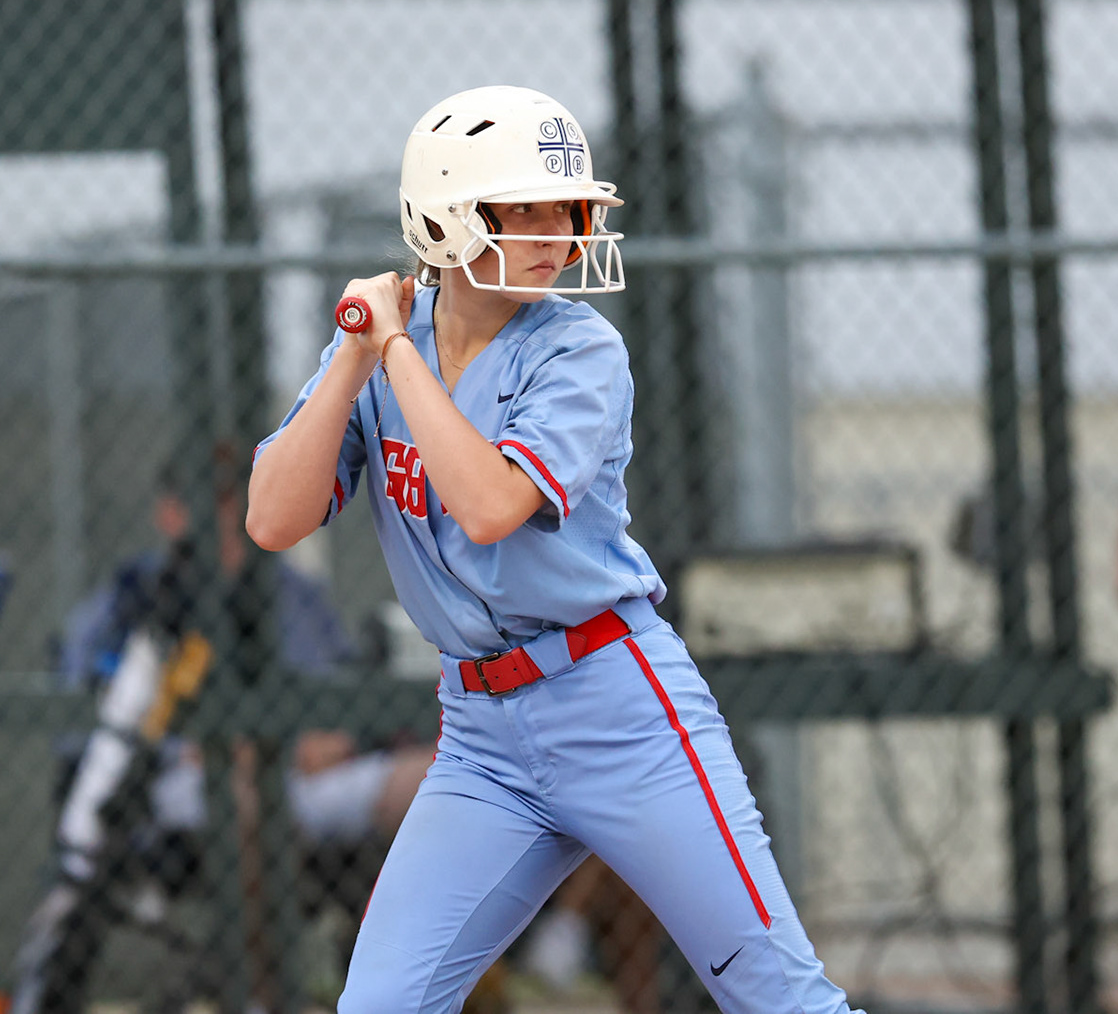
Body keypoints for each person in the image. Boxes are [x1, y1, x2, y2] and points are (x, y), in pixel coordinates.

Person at [247, 85, 860, 1014]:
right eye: (521, 207)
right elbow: (272, 519)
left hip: (617, 707)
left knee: (777, 997)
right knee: (378, 1006)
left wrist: (399, 360)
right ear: (446, 219)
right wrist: (351, 359)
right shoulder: (381, 354)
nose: (554, 230)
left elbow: (491, 504)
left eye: (565, 209)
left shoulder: (580, 348)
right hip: (483, 741)